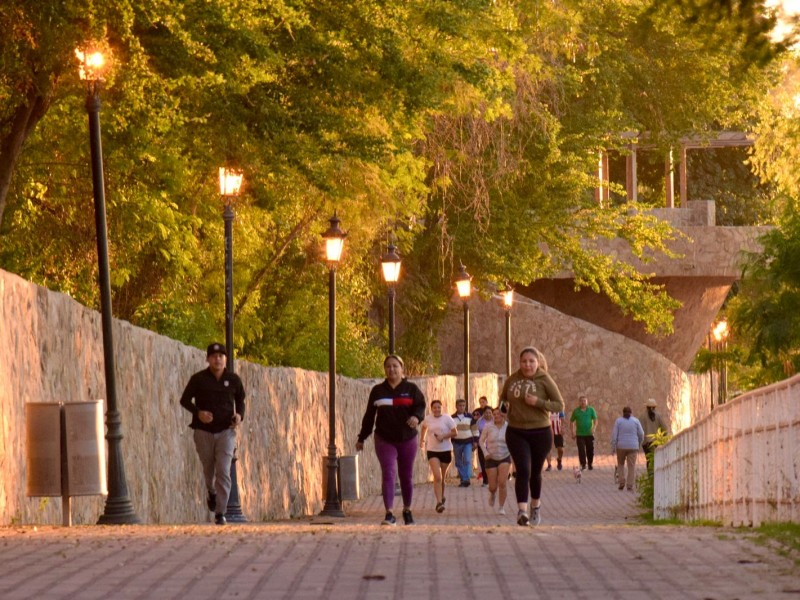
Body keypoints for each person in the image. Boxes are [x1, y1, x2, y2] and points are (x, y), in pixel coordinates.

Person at [179, 343, 245, 526]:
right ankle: (211, 491)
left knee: (223, 470)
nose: (218, 359)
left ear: (226, 359)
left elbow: (241, 400)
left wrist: (239, 416)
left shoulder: (234, 380)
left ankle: (220, 513)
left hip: (226, 432)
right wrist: (198, 412)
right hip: (203, 432)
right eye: (214, 356)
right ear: (208, 359)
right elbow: (184, 400)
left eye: (221, 356)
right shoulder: (198, 379)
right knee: (209, 469)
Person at [356, 354, 426, 526]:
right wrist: (362, 437)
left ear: (402, 369)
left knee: (406, 475)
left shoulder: (411, 389)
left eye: (395, 366)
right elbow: (369, 416)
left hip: (407, 438)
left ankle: (407, 510)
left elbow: (420, 406)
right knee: (388, 472)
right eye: (388, 366)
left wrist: (416, 418)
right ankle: (389, 514)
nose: (392, 369)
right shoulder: (378, 391)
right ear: (384, 369)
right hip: (384, 438)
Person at [499, 347, 565, 526]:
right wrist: (503, 407)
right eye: (524, 361)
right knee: (523, 470)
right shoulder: (512, 379)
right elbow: (503, 399)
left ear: (537, 362)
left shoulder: (544, 379)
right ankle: (522, 511)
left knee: (535, 472)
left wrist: (538, 403)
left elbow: (560, 405)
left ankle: (535, 506)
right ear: (519, 362)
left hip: (540, 432)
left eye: (531, 361)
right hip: (516, 431)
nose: (527, 365)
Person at [420, 400, 458, 513]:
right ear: (431, 409)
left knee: (442, 478)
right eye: (435, 407)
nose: (437, 409)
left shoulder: (447, 418)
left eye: (439, 407)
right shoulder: (428, 418)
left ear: (442, 408)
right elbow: (423, 427)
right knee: (437, 477)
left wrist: (443, 436)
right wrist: (422, 439)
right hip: (432, 451)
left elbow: (455, 432)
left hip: (446, 450)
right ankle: (439, 503)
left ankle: (442, 496)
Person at [479, 406, 512, 515]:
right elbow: (481, 441)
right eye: (495, 414)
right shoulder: (488, 426)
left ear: (503, 415)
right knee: (492, 486)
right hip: (491, 458)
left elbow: (513, 443)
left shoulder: (509, 427)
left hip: (504, 457)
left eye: (499, 414)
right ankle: (493, 493)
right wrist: (486, 453)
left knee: (502, 482)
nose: (496, 416)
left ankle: (501, 507)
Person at [610, 406, 644, 491]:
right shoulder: (636, 421)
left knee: (620, 464)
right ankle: (630, 485)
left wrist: (613, 446)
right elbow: (641, 434)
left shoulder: (619, 421)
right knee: (631, 466)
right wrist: (639, 443)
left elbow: (614, 435)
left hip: (621, 446)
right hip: (633, 446)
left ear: (623, 412)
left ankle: (621, 482)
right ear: (631, 412)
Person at [640, 398, 670, 473]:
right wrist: (663, 438)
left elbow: (639, 430)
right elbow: (665, 428)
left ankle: (650, 475)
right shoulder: (658, 416)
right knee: (657, 460)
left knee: (649, 460)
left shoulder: (642, 417)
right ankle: (656, 475)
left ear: (646, 407)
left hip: (646, 442)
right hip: (656, 442)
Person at [570, 395, 598, 470]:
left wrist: (594, 428)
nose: (583, 402)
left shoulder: (591, 410)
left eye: (584, 401)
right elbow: (571, 421)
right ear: (579, 402)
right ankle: (583, 464)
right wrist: (572, 432)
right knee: (581, 450)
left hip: (589, 434)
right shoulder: (576, 411)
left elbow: (595, 420)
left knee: (590, 449)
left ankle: (590, 464)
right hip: (579, 434)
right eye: (581, 401)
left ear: (587, 402)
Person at [451, 399, 475, 487]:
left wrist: (475, 441)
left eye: (463, 405)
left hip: (467, 441)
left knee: (467, 460)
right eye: (460, 405)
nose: (462, 407)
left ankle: (465, 479)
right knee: (458, 461)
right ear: (456, 406)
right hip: (456, 442)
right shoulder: (452, 418)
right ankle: (464, 478)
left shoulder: (470, 417)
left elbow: (474, 429)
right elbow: (450, 430)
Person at [474, 405, 493, 486]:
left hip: (493, 444)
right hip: (482, 444)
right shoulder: (479, 421)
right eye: (486, 413)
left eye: (489, 413)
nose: (488, 414)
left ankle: (492, 479)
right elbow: (476, 432)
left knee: (492, 463)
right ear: (483, 413)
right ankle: (485, 480)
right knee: (483, 462)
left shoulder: (495, 420)